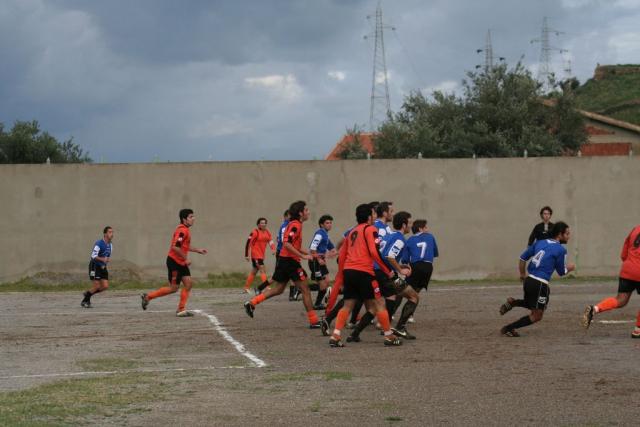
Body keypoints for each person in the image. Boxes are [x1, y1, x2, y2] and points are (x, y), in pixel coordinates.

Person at [328, 203, 406, 348]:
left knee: (348, 305)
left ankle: (335, 336)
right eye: (374, 213)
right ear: (369, 217)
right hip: (364, 272)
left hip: (349, 271)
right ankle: (389, 336)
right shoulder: (370, 229)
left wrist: (342, 275)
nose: (375, 216)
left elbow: (343, 254)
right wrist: (387, 270)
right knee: (380, 303)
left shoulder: (353, 231)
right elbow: (374, 252)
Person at [244, 201, 321, 329]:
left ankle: (252, 303)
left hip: (284, 260)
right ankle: (314, 321)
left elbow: (294, 245)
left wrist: (309, 253)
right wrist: (302, 256)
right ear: (300, 213)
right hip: (290, 262)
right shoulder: (296, 225)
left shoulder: (294, 224)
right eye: (306, 210)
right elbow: (287, 243)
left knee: (278, 289)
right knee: (305, 290)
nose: (308, 212)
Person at [499, 221, 575, 336]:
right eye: (567, 234)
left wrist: (522, 274)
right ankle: (508, 328)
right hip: (540, 284)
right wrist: (571, 268)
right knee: (537, 315)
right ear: (560, 234)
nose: (569, 236)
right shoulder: (561, 250)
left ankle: (513, 303)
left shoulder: (540, 242)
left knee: (532, 304)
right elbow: (561, 272)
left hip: (529, 280)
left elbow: (522, 258)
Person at [141, 209, 208, 317]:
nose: (193, 219)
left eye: (193, 216)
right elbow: (175, 247)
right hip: (174, 262)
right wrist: (185, 259)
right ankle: (148, 297)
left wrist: (197, 250)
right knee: (173, 288)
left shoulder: (185, 230)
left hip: (181, 262)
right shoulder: (182, 231)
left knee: (188, 284)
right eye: (191, 217)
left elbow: (183, 246)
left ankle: (181, 309)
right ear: (184, 219)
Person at [582, 224, 640, 338]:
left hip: (628, 268)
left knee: (621, 300)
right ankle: (638, 330)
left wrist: (630, 263)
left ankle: (595, 309)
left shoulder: (636, 228)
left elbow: (624, 253)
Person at [394, 219, 439, 333]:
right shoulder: (430, 237)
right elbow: (435, 253)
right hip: (428, 267)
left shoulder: (410, 240)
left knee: (401, 291)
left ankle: (391, 316)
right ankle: (410, 316)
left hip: (416, 267)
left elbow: (405, 259)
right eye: (426, 227)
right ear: (420, 229)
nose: (427, 229)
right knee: (415, 293)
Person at [308, 214, 337, 309]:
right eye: (327, 223)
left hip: (321, 262)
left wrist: (333, 252)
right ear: (321, 224)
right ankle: (316, 303)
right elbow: (312, 248)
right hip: (315, 262)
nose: (330, 225)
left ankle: (302, 289)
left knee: (327, 281)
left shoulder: (325, 235)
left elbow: (332, 248)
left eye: (330, 223)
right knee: (322, 284)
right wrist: (319, 259)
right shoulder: (319, 234)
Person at [81, 226, 114, 308]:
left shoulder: (110, 245)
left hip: (102, 267)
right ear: (105, 234)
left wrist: (105, 262)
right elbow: (93, 256)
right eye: (110, 232)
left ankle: (88, 293)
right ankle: (85, 301)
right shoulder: (99, 243)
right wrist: (103, 259)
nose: (112, 234)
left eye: (112, 232)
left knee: (105, 286)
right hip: (94, 266)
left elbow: (107, 256)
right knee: (97, 286)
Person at [243, 217, 276, 293]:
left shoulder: (267, 232)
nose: (263, 224)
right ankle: (266, 286)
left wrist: (273, 249)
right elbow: (248, 243)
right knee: (262, 268)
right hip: (255, 255)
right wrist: (246, 255)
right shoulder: (255, 232)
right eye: (262, 223)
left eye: (265, 223)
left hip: (261, 255)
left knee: (254, 271)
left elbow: (270, 241)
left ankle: (246, 287)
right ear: (258, 225)